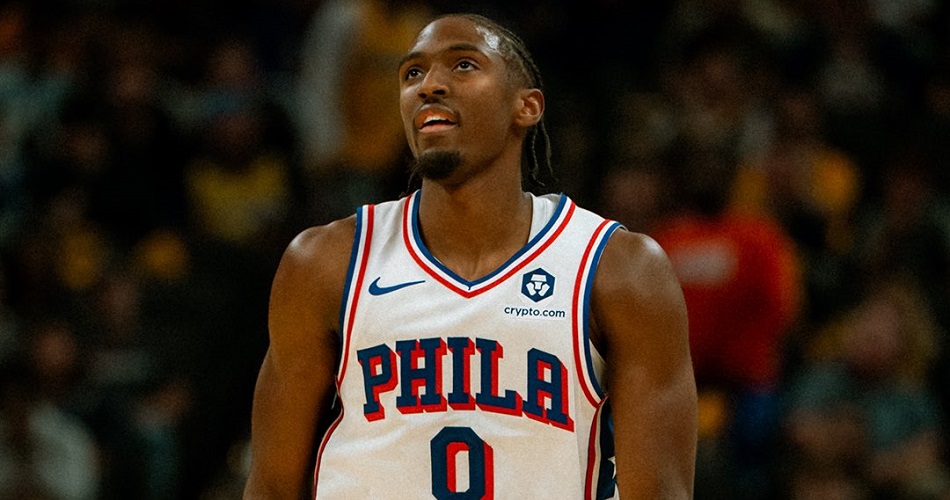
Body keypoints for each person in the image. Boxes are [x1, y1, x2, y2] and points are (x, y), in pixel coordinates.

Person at [244, 13, 697, 499]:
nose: (429, 85)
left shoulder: (618, 269)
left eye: (463, 64)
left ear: (526, 107)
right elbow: (271, 486)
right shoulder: (325, 262)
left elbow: (661, 492)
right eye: (412, 73)